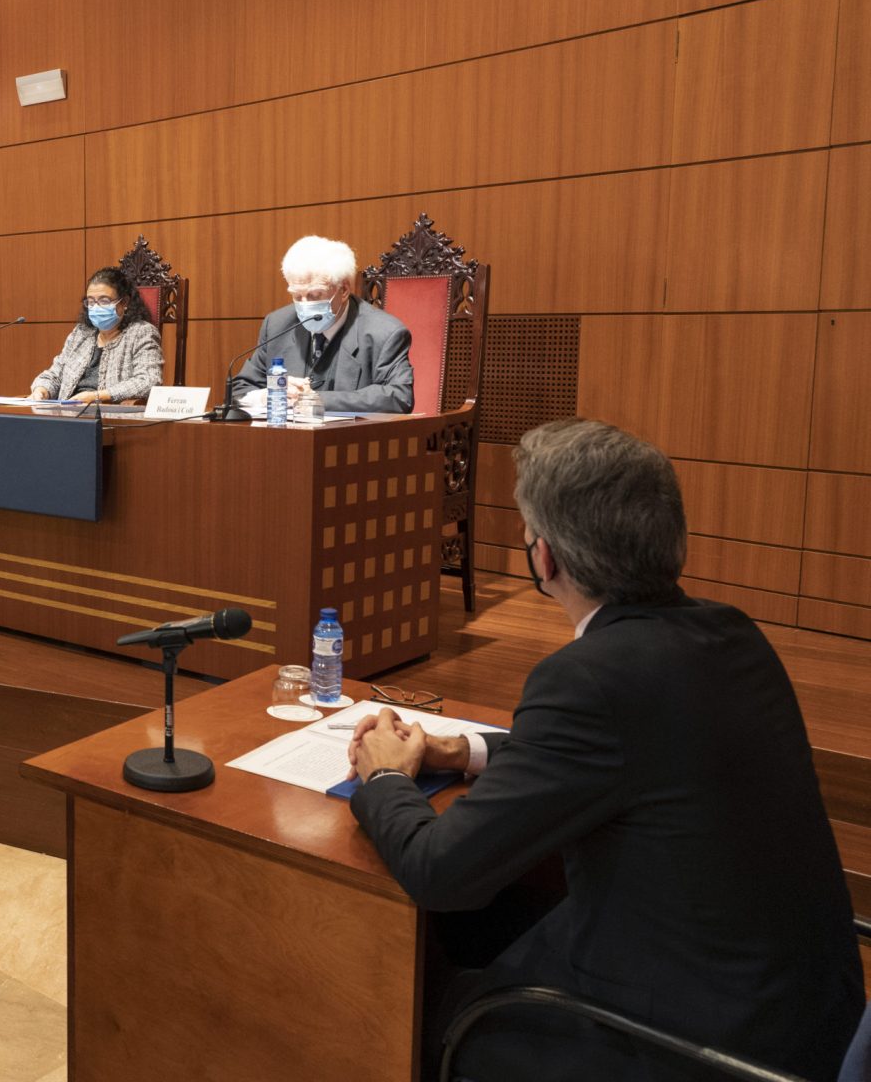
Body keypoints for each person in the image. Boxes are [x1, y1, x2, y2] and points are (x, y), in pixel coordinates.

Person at [346, 420, 862, 1081]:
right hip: (807, 1017)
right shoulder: (731, 634)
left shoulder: (590, 678)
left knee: (402, 1001)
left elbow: (439, 872)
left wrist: (386, 777)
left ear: (545, 558)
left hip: (695, 1049)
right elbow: (630, 750)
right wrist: (461, 751)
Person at [229, 235, 414, 414]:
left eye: (315, 295)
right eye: (296, 295)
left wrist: (315, 399)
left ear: (343, 290)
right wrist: (269, 395)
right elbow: (239, 389)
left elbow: (399, 397)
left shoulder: (384, 333)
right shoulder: (278, 325)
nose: (304, 304)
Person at [28, 267, 164, 403]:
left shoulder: (141, 332)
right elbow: (55, 374)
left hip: (107, 412)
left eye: (104, 301)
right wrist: (42, 390)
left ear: (124, 302)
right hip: (66, 410)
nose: (96, 307)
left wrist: (97, 396)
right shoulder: (81, 333)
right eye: (91, 302)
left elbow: (148, 380)